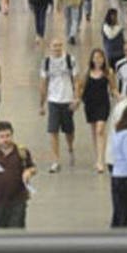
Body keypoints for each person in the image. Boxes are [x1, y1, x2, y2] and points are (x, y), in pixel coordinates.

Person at [0, 121, 37, 229]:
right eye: (1, 137)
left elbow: (32, 167)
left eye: (8, 136)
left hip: (18, 200)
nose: (5, 140)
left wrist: (29, 172)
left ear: (12, 135)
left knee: (16, 231)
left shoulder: (22, 152)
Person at [39, 39, 79, 173]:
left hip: (67, 99)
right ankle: (55, 160)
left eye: (59, 45)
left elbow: (76, 80)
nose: (56, 48)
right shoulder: (46, 62)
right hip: (53, 100)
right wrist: (42, 104)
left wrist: (76, 97)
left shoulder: (70, 60)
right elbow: (44, 82)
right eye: (54, 46)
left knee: (69, 130)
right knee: (53, 130)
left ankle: (70, 147)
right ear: (50, 47)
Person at [77, 48, 118, 172]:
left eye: (100, 57)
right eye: (95, 58)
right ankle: (98, 156)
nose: (98, 60)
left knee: (100, 129)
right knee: (94, 131)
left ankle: (101, 160)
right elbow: (81, 87)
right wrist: (77, 99)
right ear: (92, 59)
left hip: (103, 103)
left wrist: (119, 96)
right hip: (90, 103)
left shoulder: (108, 72)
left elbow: (113, 88)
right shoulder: (87, 72)